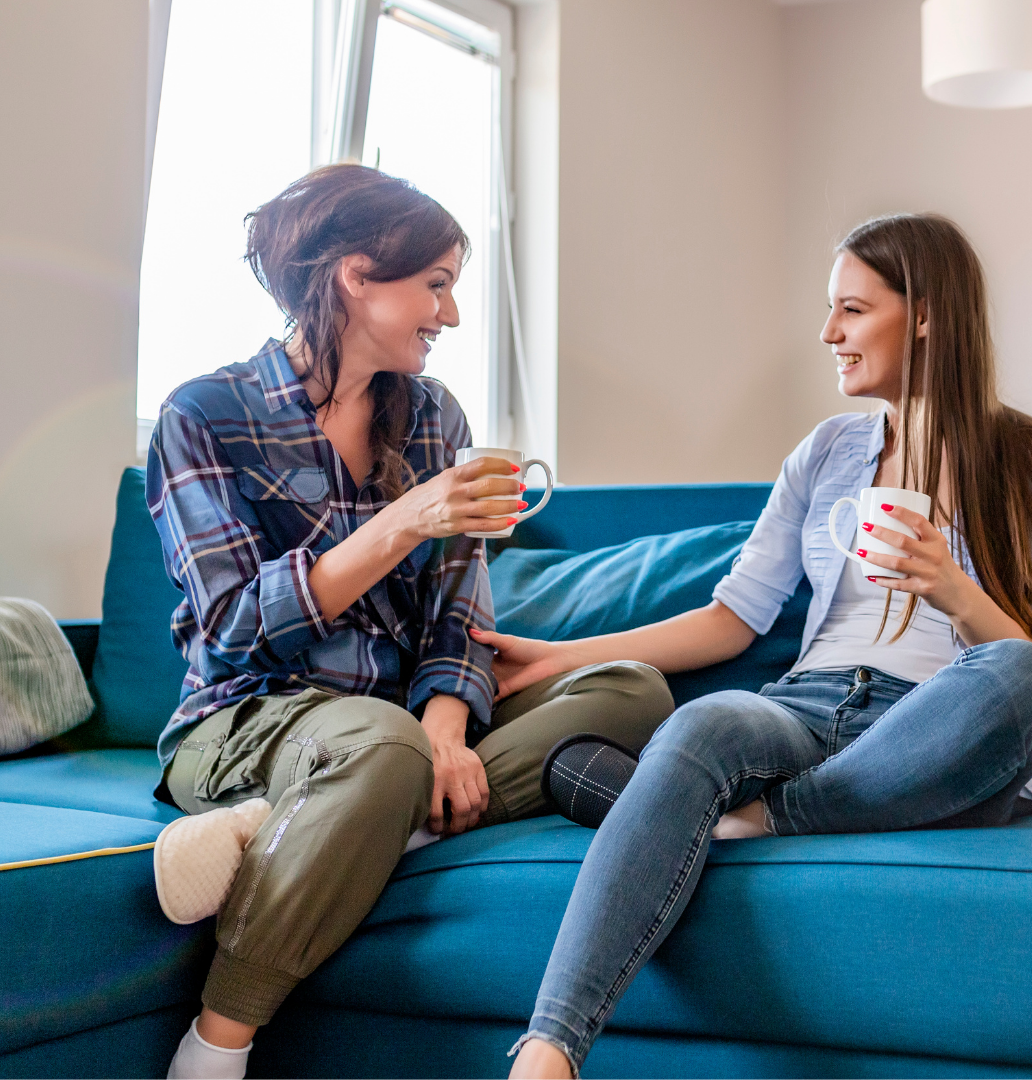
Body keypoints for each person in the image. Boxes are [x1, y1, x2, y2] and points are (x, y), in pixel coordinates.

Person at [470, 213, 1032, 1079]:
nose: (828, 332)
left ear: (927, 314)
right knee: (708, 723)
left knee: (1019, 670)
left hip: (932, 727)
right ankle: (549, 1049)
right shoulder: (828, 451)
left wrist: (953, 590)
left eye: (852, 310)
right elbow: (735, 616)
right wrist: (564, 655)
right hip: (807, 709)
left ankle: (747, 818)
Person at [145, 164, 673, 1080]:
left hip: (395, 732)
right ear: (355, 276)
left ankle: (307, 824)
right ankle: (216, 1043)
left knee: (632, 690)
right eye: (436, 285)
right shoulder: (204, 416)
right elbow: (230, 627)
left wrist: (446, 723)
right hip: (245, 722)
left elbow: (459, 606)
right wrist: (401, 523)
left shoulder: (433, 416)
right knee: (381, 749)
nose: (452, 315)